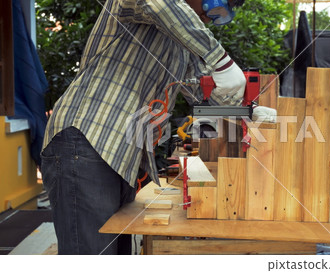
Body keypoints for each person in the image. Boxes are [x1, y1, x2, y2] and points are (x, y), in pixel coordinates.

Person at [41, 0, 247, 255]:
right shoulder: (146, 5)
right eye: (211, 6)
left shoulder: (182, 45)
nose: (207, 17)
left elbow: (202, 92)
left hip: (118, 155)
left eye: (218, 16)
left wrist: (246, 108)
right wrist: (222, 61)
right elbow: (156, 4)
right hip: (87, 140)